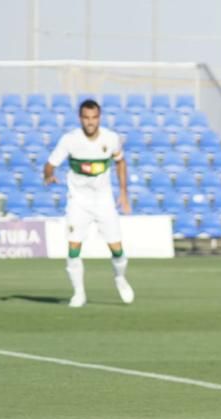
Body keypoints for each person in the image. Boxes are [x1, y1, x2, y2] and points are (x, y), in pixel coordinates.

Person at [44, 99, 133, 308]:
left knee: (117, 248)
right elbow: (49, 164)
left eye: (94, 118)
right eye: (86, 117)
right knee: (74, 246)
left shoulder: (111, 138)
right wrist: (48, 175)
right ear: (80, 118)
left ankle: (120, 278)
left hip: (103, 200)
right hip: (78, 201)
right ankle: (79, 293)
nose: (90, 122)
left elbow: (120, 161)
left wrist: (123, 192)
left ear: (99, 118)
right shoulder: (70, 140)